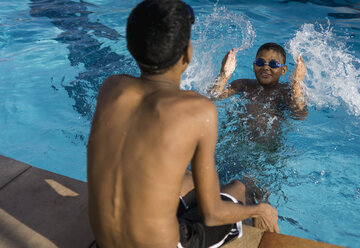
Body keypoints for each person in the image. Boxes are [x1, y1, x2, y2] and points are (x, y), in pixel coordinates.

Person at [87, 1, 279, 248]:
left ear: (129, 48)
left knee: (187, 178)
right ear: (187, 54)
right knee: (242, 186)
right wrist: (260, 210)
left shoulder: (111, 88)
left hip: (104, 242)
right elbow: (212, 214)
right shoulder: (198, 110)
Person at [211, 43, 308, 118]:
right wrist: (223, 75)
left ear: (283, 70)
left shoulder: (285, 92)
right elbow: (214, 97)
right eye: (260, 62)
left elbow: (299, 114)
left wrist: (296, 83)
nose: (265, 67)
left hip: (269, 143)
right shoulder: (243, 85)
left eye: (273, 64)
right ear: (254, 67)